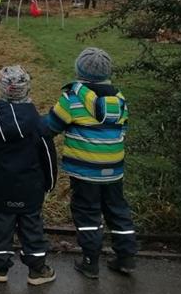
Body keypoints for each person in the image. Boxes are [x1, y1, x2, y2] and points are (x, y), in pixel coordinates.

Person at [41, 47, 137, 279]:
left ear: (79, 70)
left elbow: (50, 127)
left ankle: (90, 261)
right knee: (118, 209)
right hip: (113, 168)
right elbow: (123, 129)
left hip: (84, 170)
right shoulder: (119, 99)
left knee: (87, 213)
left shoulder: (73, 98)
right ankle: (126, 257)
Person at [0, 66, 58, 285]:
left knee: (1, 225)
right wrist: (49, 182)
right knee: (32, 226)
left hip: (0, 187)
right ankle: (38, 269)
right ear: (27, 88)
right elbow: (48, 154)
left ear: (1, 88)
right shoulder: (38, 122)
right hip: (31, 187)